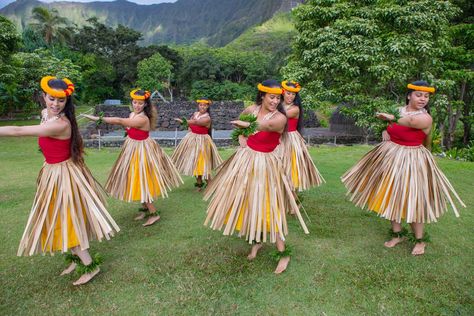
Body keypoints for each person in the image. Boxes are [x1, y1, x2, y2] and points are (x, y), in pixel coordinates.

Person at [0, 76, 120, 285]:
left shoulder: (61, 124)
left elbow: (18, 130)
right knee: (60, 217)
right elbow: (45, 115)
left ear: (67, 101)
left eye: (61, 100)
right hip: (53, 172)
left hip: (63, 175)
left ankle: (90, 265)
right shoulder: (47, 114)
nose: (55, 104)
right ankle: (75, 258)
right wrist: (46, 114)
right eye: (51, 98)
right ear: (43, 97)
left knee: (67, 218)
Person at [341, 81, 466, 255]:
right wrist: (386, 130)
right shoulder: (398, 110)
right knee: (392, 194)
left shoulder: (425, 117)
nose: (423, 99)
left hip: (413, 160)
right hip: (392, 157)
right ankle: (397, 234)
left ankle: (420, 240)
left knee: (413, 199)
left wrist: (391, 118)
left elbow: (412, 122)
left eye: (426, 96)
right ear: (409, 95)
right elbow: (391, 126)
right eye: (418, 95)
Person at [204, 80, 309, 274]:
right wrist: (241, 136)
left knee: (270, 206)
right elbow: (240, 129)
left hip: (266, 165)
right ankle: (256, 241)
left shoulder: (280, 118)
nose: (275, 101)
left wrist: (249, 124)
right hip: (247, 161)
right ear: (262, 95)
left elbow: (266, 126)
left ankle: (283, 252)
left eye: (278, 98)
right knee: (250, 203)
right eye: (272, 97)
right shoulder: (251, 109)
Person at [84, 89, 183, 227]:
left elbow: (119, 121)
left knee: (142, 179)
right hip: (133, 148)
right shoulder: (133, 114)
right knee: (135, 178)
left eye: (140, 103)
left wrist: (98, 119)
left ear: (145, 105)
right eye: (135, 102)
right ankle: (145, 209)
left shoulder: (142, 118)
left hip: (142, 150)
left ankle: (154, 214)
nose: (137, 105)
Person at [280, 80, 325, 192]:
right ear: (283, 92)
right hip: (278, 138)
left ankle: (293, 198)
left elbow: (279, 117)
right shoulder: (279, 105)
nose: (290, 96)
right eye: (288, 93)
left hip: (290, 140)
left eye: (293, 94)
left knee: (290, 168)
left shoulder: (295, 109)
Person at [172, 98, 223, 191]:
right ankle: (199, 185)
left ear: (207, 106)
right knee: (195, 163)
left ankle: (210, 184)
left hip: (202, 142)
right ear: (198, 105)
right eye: (200, 105)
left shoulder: (207, 118)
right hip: (193, 140)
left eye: (204, 105)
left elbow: (196, 122)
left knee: (202, 163)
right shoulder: (195, 114)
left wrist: (183, 121)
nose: (202, 107)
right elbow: (191, 125)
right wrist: (189, 133)